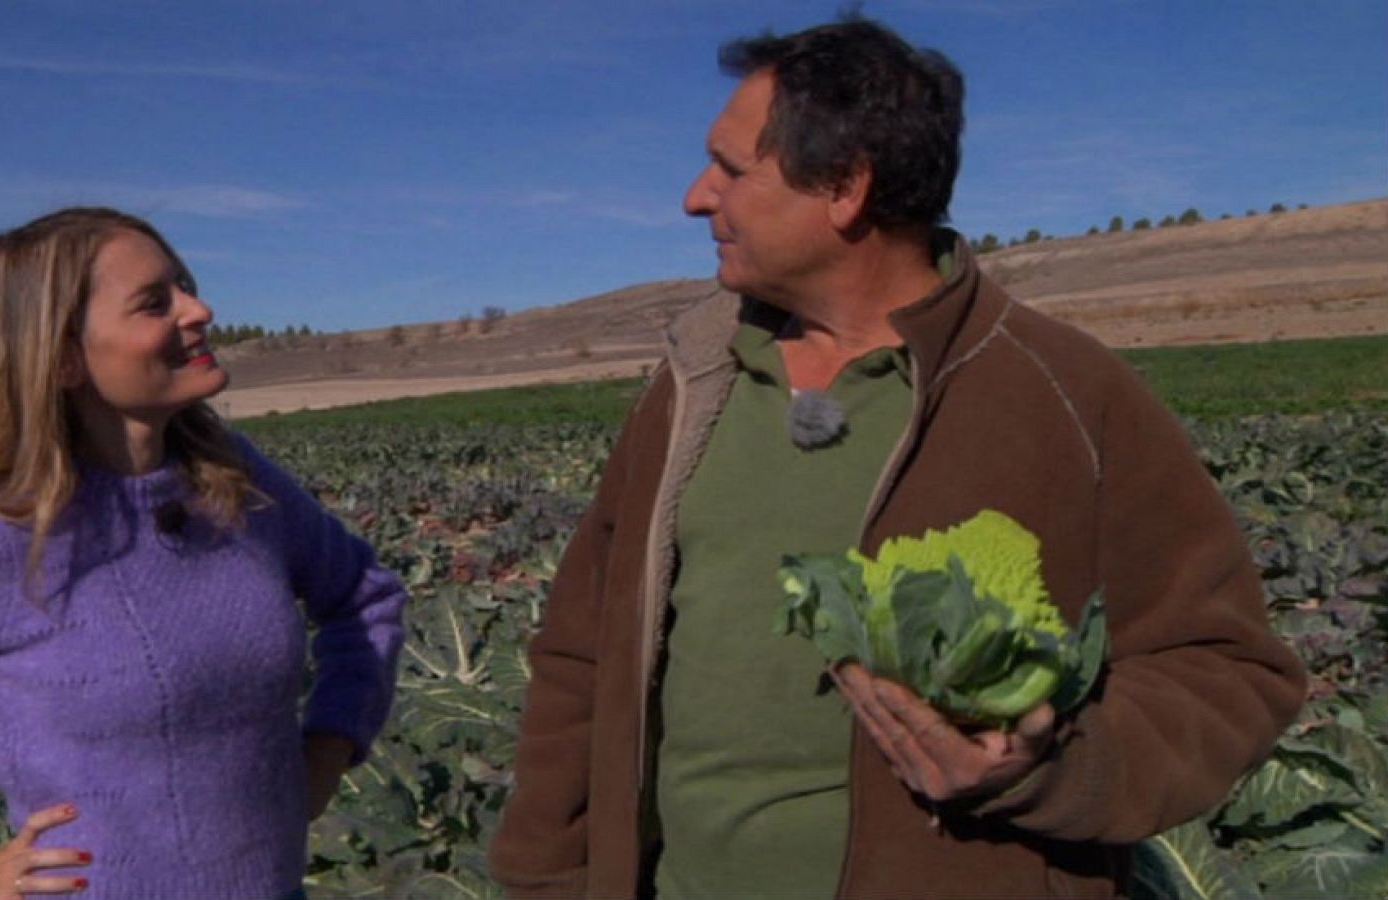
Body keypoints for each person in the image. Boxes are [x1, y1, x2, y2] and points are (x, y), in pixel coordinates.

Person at [489, 14, 1306, 899]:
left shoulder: (1066, 392)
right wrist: (546, 877)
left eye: (730, 168)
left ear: (843, 186)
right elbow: (582, 660)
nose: (695, 196)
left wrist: (1051, 768)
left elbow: (1228, 669)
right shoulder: (693, 380)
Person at [0, 207, 406, 900]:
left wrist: (331, 742)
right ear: (63, 358)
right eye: (154, 302)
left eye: (185, 285)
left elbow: (364, 595)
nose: (199, 310)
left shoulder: (237, 484)